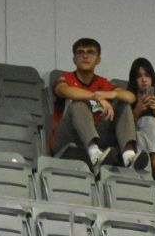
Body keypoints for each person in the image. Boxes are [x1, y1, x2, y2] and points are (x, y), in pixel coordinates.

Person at [50, 38, 138, 169]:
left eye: (90, 52)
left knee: (123, 104)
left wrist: (112, 94)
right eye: (80, 52)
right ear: (74, 59)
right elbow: (64, 90)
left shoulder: (102, 82)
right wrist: (95, 96)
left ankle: (129, 155)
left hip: (96, 134)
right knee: (78, 104)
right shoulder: (66, 78)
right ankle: (94, 153)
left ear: (98, 59)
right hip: (67, 138)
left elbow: (131, 97)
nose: (85, 56)